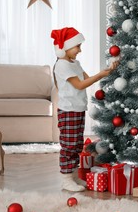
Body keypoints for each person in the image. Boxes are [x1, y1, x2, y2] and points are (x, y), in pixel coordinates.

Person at [50, 27, 118, 192]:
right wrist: (101, 75)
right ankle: (66, 179)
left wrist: (107, 72)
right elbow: (79, 84)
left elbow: (87, 79)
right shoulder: (62, 65)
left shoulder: (75, 64)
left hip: (78, 109)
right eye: (77, 46)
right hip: (68, 111)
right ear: (65, 47)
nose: (80, 50)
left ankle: (72, 176)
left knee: (77, 144)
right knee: (69, 145)